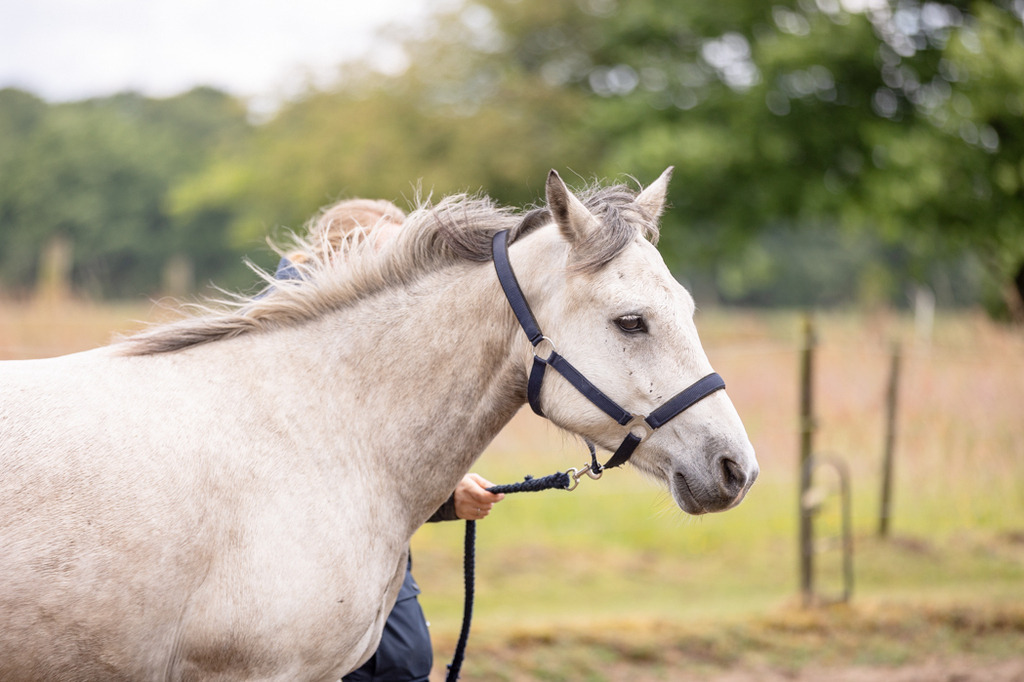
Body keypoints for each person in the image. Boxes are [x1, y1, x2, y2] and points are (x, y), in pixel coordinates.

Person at [275, 198, 505, 682]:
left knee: (403, 664)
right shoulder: (274, 343)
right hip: (291, 577)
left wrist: (446, 496)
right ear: (341, 258)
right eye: (390, 259)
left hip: (372, 573)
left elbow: (378, 462)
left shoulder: (376, 343)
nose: (404, 276)